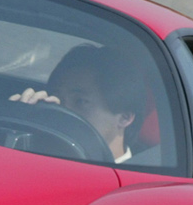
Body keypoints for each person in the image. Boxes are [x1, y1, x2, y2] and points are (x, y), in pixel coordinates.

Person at [10, 44, 146, 163]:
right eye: (57, 99)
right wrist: (18, 119)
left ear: (125, 117)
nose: (63, 111)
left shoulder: (139, 187)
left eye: (80, 102)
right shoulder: (35, 156)